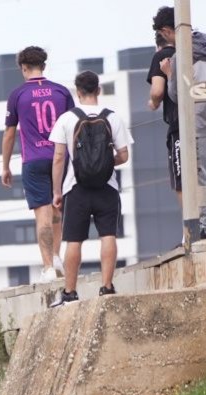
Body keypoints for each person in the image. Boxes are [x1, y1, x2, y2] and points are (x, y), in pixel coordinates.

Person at [48, 70, 134, 305]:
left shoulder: (67, 118)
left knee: (74, 240)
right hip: (107, 187)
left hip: (76, 188)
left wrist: (57, 191)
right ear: (98, 90)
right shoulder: (112, 117)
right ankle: (106, 288)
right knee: (108, 235)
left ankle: (70, 292)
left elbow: (57, 158)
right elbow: (124, 155)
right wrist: (105, 163)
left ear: (78, 92)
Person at [149, 6, 206, 242]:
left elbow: (175, 95)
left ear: (166, 31)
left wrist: (168, 73)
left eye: (162, 34)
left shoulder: (179, 55)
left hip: (196, 122)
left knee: (201, 176)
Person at [0, 46, 75, 284]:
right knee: (57, 210)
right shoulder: (61, 92)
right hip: (60, 158)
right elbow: (75, 126)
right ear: (44, 65)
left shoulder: (18, 95)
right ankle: (56, 256)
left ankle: (48, 267)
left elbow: (10, 134)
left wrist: (5, 165)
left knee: (41, 215)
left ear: (23, 68)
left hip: (33, 160)